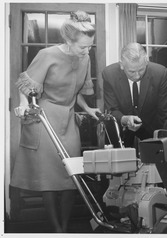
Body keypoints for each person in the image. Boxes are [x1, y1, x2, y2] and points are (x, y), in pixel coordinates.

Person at [11, 11, 101, 233]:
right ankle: (57, 230)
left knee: (71, 177)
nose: (87, 51)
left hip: (69, 121)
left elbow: (76, 91)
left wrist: (89, 109)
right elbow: (25, 86)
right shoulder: (46, 55)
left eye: (90, 46)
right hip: (45, 118)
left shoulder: (85, 58)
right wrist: (23, 105)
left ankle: (66, 227)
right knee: (49, 179)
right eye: (83, 47)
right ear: (68, 41)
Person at [102, 42, 167, 148]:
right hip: (120, 134)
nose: (137, 75)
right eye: (131, 71)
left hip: (152, 131)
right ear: (121, 65)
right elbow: (111, 109)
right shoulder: (109, 74)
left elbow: (165, 112)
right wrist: (124, 119)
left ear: (146, 61)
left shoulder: (160, 73)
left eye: (141, 70)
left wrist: (156, 141)